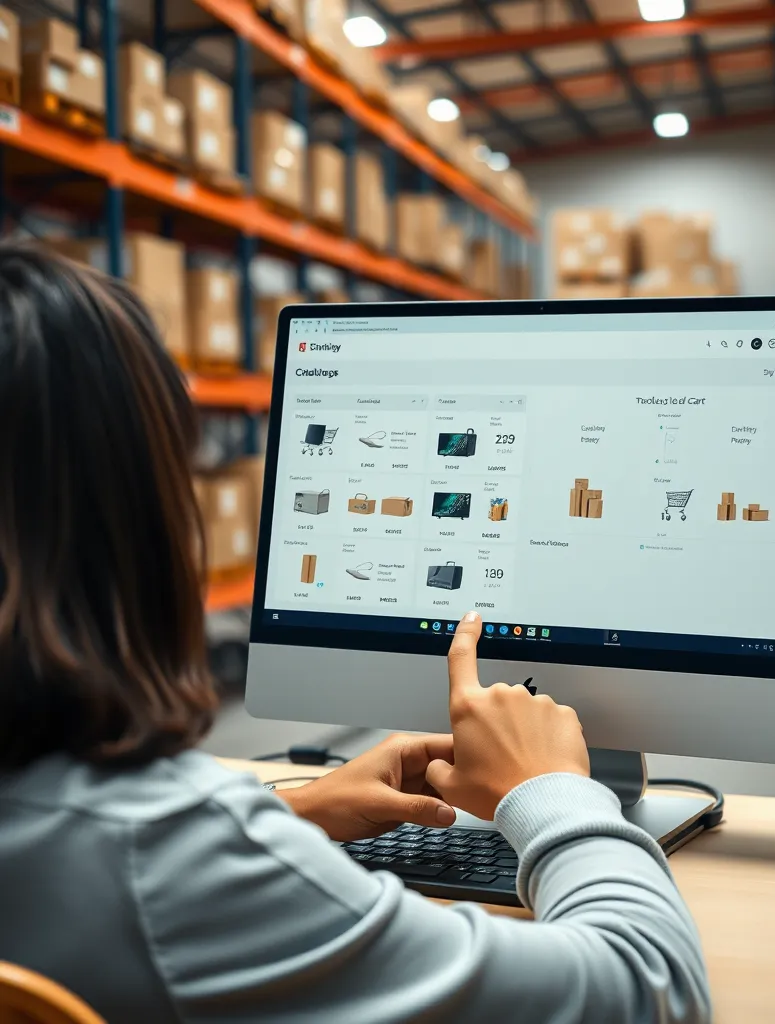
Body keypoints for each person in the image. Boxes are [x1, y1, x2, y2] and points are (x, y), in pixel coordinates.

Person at [0, 243, 711, 1024]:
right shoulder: (166, 864)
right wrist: (553, 794)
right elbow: (647, 992)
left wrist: (287, 817)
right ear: (136, 521)